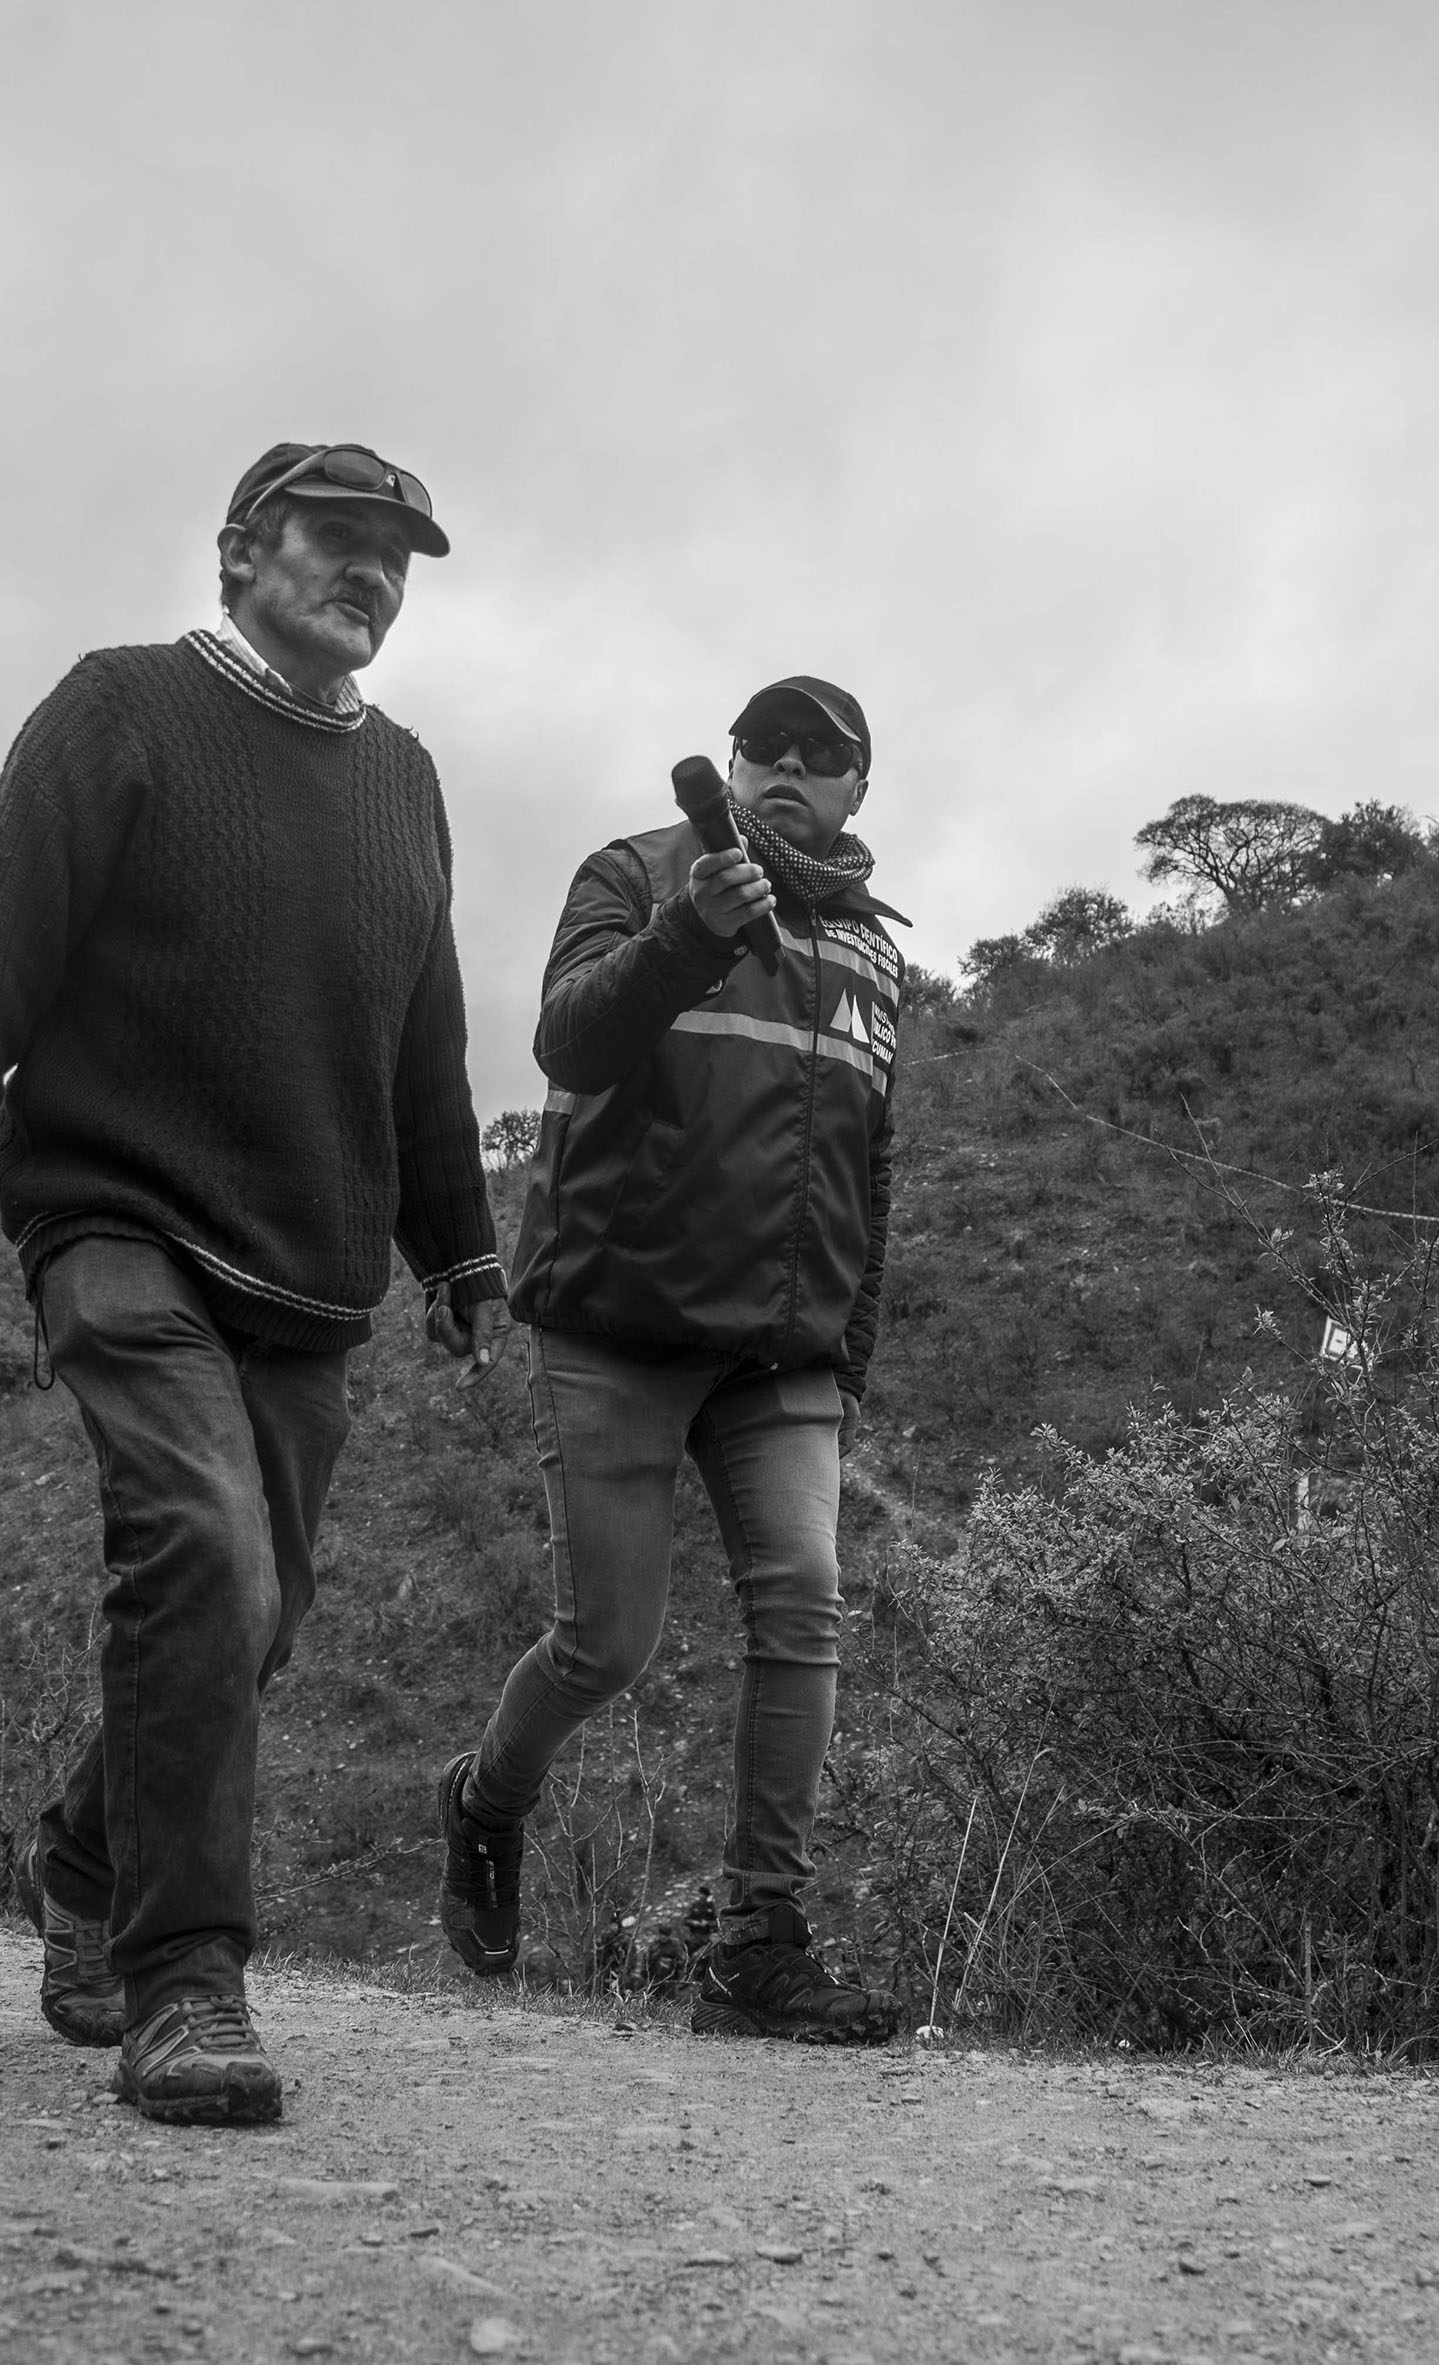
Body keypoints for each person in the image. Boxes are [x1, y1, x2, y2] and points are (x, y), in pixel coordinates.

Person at [0, 440, 506, 2126]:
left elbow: (423, 1042)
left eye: (394, 555)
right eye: (334, 539)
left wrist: (464, 1251)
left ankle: (81, 1857)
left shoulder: (407, 779)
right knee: (204, 1552)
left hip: (306, 1263)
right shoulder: (118, 710)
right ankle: (185, 1981)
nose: (369, 574)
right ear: (237, 553)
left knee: (257, 1611)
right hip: (116, 1221)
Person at [438, 675, 907, 2046]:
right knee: (606, 1642)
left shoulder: (875, 953)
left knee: (804, 1605)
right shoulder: (634, 871)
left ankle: (758, 1942)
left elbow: (868, 1169)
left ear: (855, 792)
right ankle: (483, 1799)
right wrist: (687, 935)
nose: (787, 765)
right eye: (764, 740)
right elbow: (567, 1038)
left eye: (825, 755)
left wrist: (850, 1355)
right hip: (617, 1323)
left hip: (779, 1358)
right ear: (731, 760)